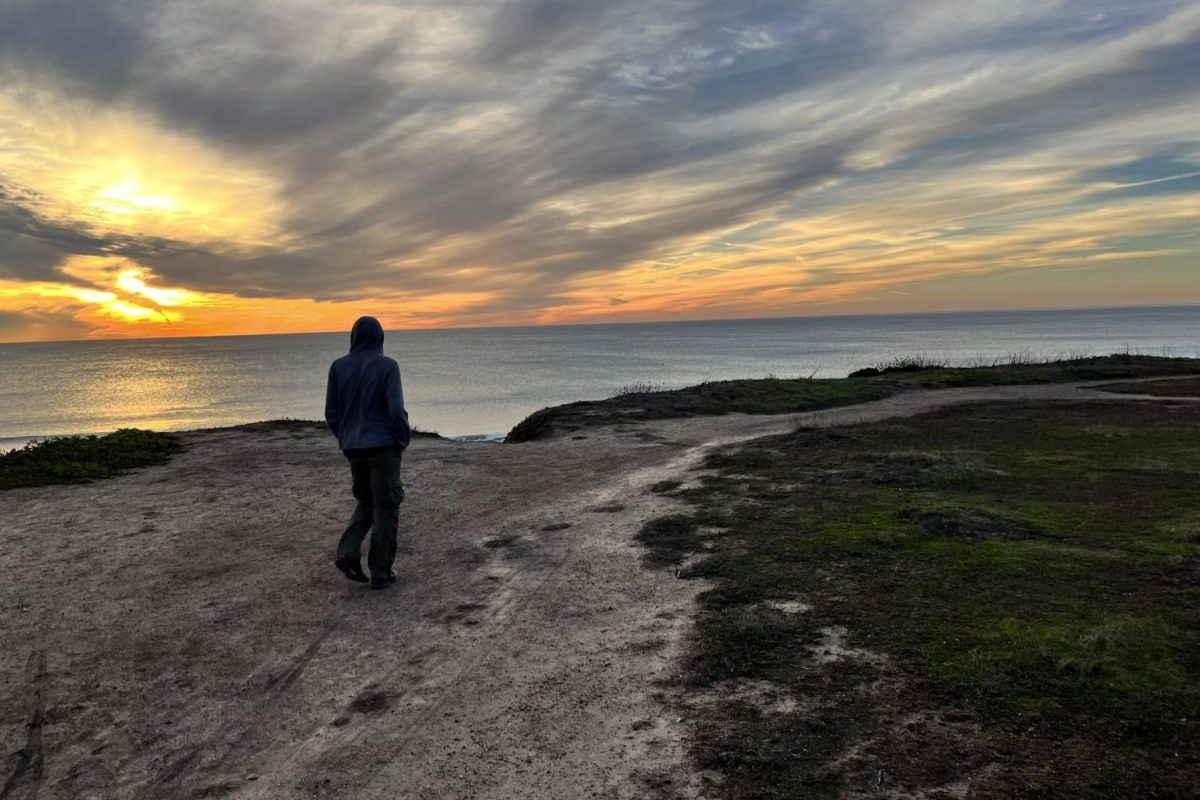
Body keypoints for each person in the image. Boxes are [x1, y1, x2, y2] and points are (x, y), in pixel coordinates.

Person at [325, 316, 411, 589]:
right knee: (386, 506)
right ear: (380, 337)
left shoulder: (338, 368)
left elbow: (332, 414)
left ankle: (347, 553)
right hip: (383, 446)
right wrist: (401, 440)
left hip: (353, 447)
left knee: (366, 501)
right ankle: (381, 572)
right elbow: (396, 411)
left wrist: (347, 438)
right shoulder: (387, 367)